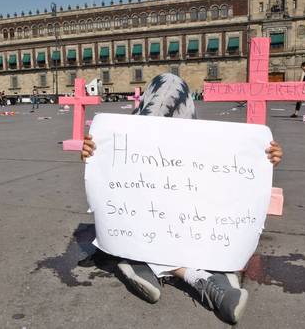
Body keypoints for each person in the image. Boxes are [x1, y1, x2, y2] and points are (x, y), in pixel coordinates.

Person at [80, 73, 283, 325]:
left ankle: (144, 266)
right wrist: (92, 152)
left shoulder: (203, 143)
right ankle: (197, 277)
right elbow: (107, 177)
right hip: (144, 224)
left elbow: (233, 177)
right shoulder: (122, 138)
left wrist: (267, 157)